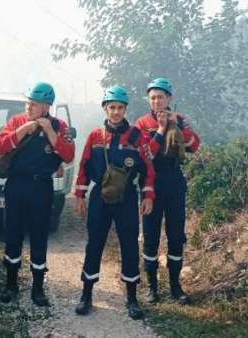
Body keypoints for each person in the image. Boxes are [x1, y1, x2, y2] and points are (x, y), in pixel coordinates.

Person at [73, 85, 155, 319]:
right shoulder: (95, 136)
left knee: (129, 244)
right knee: (95, 244)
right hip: (100, 198)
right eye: (112, 108)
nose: (116, 112)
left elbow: (148, 169)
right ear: (105, 108)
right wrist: (80, 195)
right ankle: (86, 294)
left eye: (120, 108)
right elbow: (84, 167)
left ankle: (131, 298)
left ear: (125, 109)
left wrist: (148, 196)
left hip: (127, 198)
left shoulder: (138, 137)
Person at [0, 82, 75, 307]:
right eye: (27, 102)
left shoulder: (59, 126)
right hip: (16, 184)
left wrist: (49, 131)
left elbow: (68, 156)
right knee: (12, 234)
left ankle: (38, 287)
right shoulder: (16, 121)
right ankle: (10, 283)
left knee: (40, 235)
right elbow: (0, 147)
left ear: (47, 106)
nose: (28, 107)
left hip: (42, 187)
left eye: (34, 104)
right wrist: (22, 131)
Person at [135, 78, 201, 305]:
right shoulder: (142, 123)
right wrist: (162, 130)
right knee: (151, 237)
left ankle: (175, 286)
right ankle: (152, 288)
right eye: (152, 97)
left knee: (175, 236)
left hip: (174, 181)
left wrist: (178, 126)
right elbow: (146, 155)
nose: (157, 101)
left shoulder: (180, 119)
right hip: (151, 183)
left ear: (169, 98)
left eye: (161, 97)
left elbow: (194, 146)